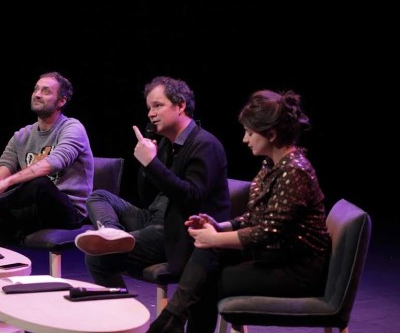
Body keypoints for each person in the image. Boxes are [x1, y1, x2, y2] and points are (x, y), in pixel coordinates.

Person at [147, 89, 332, 333]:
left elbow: (267, 232)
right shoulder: (272, 165)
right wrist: (220, 226)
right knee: (208, 258)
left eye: (250, 133)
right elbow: (254, 217)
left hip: (296, 270)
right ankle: (172, 321)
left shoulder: (295, 171)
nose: (245, 139)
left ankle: (169, 322)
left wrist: (215, 238)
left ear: (271, 135)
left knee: (208, 276)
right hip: (274, 257)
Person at [74, 76, 231, 288]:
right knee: (99, 196)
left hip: (177, 230)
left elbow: (192, 197)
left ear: (180, 106)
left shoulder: (204, 145)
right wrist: (146, 164)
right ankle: (112, 232)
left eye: (157, 105)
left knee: (98, 257)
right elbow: (147, 197)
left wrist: (151, 164)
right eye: (149, 107)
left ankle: (121, 307)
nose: (150, 113)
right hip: (153, 218)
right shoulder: (167, 143)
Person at [0, 71, 94, 246]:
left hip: (70, 212)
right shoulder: (21, 135)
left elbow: (54, 163)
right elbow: (2, 170)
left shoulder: (72, 128)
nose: (37, 94)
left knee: (39, 184)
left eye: (46, 91)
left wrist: (4, 186)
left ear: (61, 101)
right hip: (36, 210)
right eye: (36, 89)